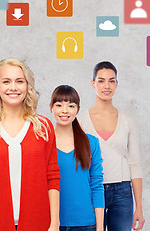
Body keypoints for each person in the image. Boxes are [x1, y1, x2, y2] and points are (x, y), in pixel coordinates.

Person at [0, 57, 60, 231]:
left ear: (27, 86)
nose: (13, 87)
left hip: (38, 223)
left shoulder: (43, 126)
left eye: (19, 81)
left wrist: (54, 223)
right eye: (6, 81)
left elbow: (52, 177)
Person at [78, 61, 144, 231]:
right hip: (91, 190)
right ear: (93, 83)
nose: (106, 86)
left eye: (111, 81)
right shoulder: (80, 121)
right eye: (101, 80)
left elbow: (134, 164)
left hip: (122, 191)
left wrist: (139, 207)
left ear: (116, 84)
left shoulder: (128, 120)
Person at [50, 85, 104, 231]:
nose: (64, 110)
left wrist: (99, 228)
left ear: (77, 109)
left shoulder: (91, 142)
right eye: (59, 105)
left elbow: (97, 186)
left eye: (71, 105)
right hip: (52, 224)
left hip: (86, 224)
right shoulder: (44, 143)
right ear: (51, 108)